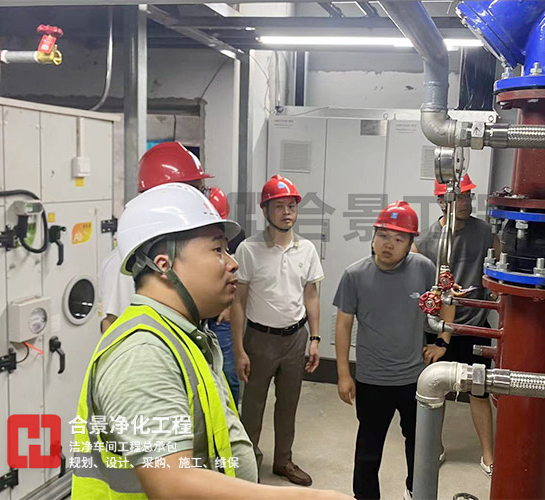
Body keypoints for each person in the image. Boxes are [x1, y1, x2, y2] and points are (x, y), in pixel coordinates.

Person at [71, 183, 351, 500]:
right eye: (218, 250)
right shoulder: (143, 353)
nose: (232, 263)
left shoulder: (183, 336)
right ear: (164, 264)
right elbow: (172, 484)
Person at [98, 141, 243, 405]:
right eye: (196, 190)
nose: (203, 199)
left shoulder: (189, 330)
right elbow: (111, 324)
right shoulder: (127, 263)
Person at [334, 201, 454, 500]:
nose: (389, 244)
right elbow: (343, 325)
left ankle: (416, 493)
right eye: (383, 236)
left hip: (414, 379)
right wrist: (343, 374)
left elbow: (447, 300)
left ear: (411, 243)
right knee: (368, 449)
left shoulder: (423, 268)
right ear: (374, 236)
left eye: (399, 239)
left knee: (418, 445)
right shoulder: (354, 275)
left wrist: (443, 341)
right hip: (372, 379)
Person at [231, 174, 323, 487]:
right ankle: (248, 465)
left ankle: (283, 460)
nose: (287, 212)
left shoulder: (306, 249)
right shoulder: (248, 250)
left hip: (295, 338)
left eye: (291, 206)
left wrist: (315, 338)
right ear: (265, 210)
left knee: (288, 404)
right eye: (279, 206)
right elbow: (238, 301)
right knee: (252, 407)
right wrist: (239, 349)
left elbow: (311, 295)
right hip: (259, 340)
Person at [412, 174, 500, 477]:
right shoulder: (426, 240)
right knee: (435, 391)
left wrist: (496, 291)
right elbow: (416, 285)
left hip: (475, 326)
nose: (465, 202)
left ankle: (488, 454)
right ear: (442, 201)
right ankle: (434, 446)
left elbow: (497, 268)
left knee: (480, 391)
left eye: (467, 196)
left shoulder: (485, 233)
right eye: (459, 197)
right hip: (436, 331)